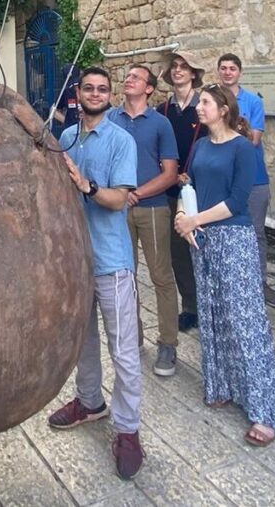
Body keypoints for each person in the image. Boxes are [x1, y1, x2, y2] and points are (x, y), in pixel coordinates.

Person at [174, 84, 275, 446]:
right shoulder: (201, 145)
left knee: (244, 322)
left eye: (205, 102)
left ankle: (266, 409)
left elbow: (239, 200)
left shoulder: (242, 148)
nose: (199, 107)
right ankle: (223, 383)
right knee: (211, 316)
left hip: (232, 238)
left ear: (224, 109)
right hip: (202, 240)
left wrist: (195, 221)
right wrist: (182, 214)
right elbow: (188, 183)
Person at [47, 66, 145, 480]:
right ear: (78, 93)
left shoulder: (122, 141)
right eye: (88, 87)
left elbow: (119, 199)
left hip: (111, 261)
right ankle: (89, 402)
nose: (95, 93)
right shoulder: (67, 138)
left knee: (123, 350)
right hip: (74, 261)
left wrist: (85, 185)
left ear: (109, 95)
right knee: (82, 342)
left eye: (103, 89)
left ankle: (128, 430)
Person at [107, 64, 180, 376]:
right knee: (125, 277)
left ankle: (168, 342)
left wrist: (134, 193)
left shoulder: (160, 124)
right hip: (117, 210)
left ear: (149, 88)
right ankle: (132, 337)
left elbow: (170, 173)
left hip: (152, 208)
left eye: (136, 77)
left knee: (161, 275)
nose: (129, 79)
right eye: (128, 76)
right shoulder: (110, 118)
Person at [217, 53, 275, 309]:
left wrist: (230, 131)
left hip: (253, 178)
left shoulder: (252, 101)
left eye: (232, 68)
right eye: (223, 68)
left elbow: (253, 139)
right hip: (222, 178)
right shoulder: (213, 100)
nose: (227, 72)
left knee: (255, 232)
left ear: (240, 72)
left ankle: (260, 282)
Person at [157, 49, 207, 331]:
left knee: (207, 248)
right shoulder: (163, 111)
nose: (177, 70)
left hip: (204, 189)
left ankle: (212, 302)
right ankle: (191, 305)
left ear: (193, 74)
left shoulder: (205, 106)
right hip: (173, 191)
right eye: (174, 66)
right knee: (179, 252)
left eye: (184, 67)